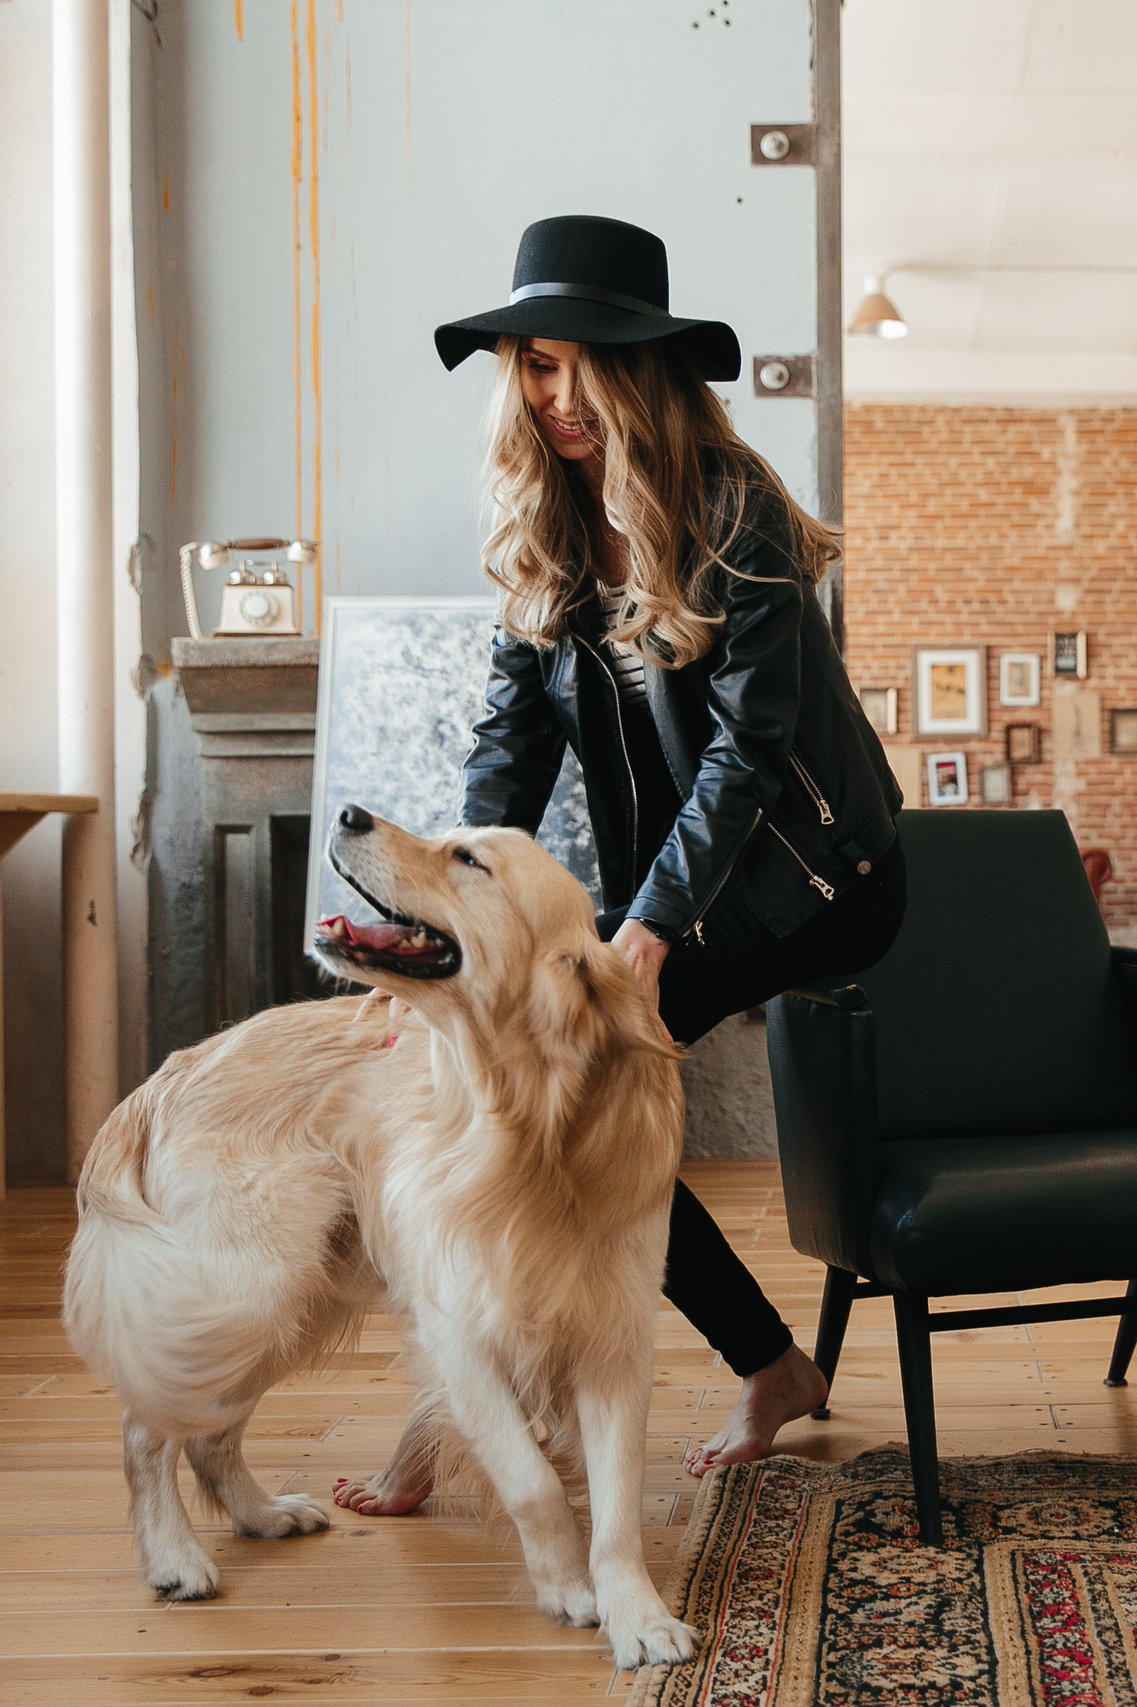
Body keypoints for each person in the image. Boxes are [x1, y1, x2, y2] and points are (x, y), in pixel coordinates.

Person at [332, 215, 906, 1515]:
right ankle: (740, 1371)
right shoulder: (546, 524)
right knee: (535, 1100)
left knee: (574, 1087)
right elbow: (508, 749)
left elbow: (747, 758)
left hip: (823, 877)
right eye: (539, 365)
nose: (562, 396)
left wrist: (649, 928)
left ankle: (530, 1412)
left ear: (646, 371)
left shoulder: (735, 510)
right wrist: (444, 936)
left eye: (588, 365)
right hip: (692, 884)